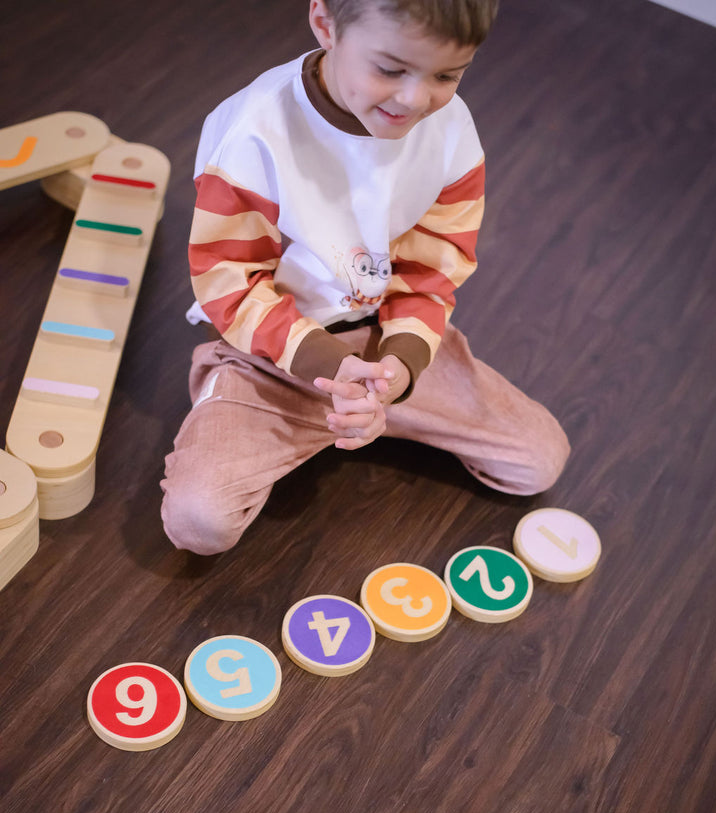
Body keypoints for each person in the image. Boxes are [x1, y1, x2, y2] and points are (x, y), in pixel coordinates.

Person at [161, 0, 570, 555]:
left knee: (539, 460)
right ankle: (248, 394)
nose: (415, 99)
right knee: (198, 522)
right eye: (390, 69)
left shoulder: (450, 133)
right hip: (275, 353)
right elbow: (231, 282)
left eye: (446, 75)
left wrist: (398, 369)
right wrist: (332, 371)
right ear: (326, 25)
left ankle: (364, 417)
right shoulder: (252, 135)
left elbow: (430, 270)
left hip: (382, 337)